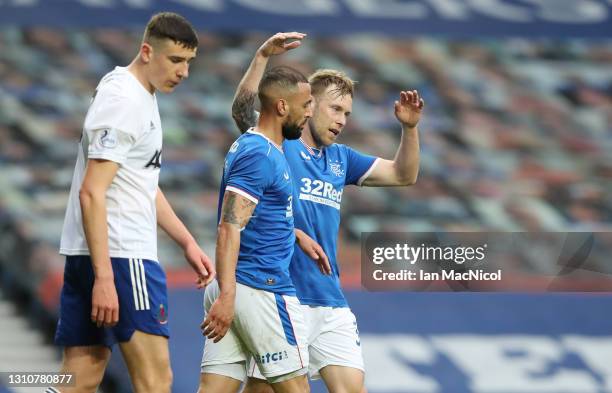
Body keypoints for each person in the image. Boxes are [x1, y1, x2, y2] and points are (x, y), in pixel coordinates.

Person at [231, 33, 424, 393]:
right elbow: (242, 109)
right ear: (309, 104)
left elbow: (403, 174)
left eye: (347, 114)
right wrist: (261, 57)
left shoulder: (342, 159)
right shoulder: (277, 144)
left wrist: (409, 129)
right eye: (335, 109)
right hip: (281, 295)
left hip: (329, 297)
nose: (342, 120)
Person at [50, 12, 214, 393]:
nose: (184, 72)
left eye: (189, 62)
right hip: (124, 258)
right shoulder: (125, 100)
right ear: (146, 51)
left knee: (80, 379)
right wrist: (106, 278)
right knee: (156, 382)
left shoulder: (131, 92)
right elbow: (91, 191)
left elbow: (139, 183)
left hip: (92, 254)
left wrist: (186, 241)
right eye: (175, 60)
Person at [197, 66, 320, 393]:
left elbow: (256, 215)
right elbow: (229, 226)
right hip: (259, 289)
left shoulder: (257, 144)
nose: (311, 111)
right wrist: (227, 295)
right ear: (281, 107)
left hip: (239, 289)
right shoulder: (259, 155)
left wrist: (295, 233)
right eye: (306, 103)